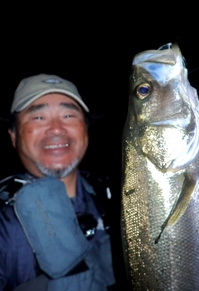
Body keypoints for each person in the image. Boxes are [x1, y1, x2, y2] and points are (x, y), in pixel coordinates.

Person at [0, 74, 118, 291]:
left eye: (68, 115)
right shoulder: (4, 225)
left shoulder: (116, 198)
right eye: (38, 118)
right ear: (14, 136)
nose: (56, 128)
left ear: (86, 129)